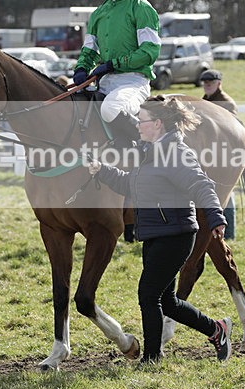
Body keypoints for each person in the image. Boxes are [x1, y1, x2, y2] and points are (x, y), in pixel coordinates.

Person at [88, 95, 232, 364]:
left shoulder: (176, 153)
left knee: (148, 294)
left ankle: (152, 358)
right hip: (155, 233)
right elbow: (131, 184)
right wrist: (102, 170)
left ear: (157, 124)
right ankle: (216, 330)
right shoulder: (150, 152)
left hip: (176, 235)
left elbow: (202, 185)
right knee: (167, 301)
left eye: (140, 121)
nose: (137, 125)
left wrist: (215, 217)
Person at [73, 0, 161, 147]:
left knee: (109, 110)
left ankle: (150, 149)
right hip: (105, 83)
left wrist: (113, 64)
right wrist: (81, 69)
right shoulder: (97, 14)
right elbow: (89, 51)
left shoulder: (140, 7)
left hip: (133, 82)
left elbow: (149, 52)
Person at [200, 69, 237, 239]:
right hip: (210, 153)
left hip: (225, 154)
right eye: (205, 82)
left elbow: (231, 130)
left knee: (225, 193)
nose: (207, 85)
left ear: (219, 83)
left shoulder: (227, 104)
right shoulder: (203, 101)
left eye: (211, 82)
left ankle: (229, 234)